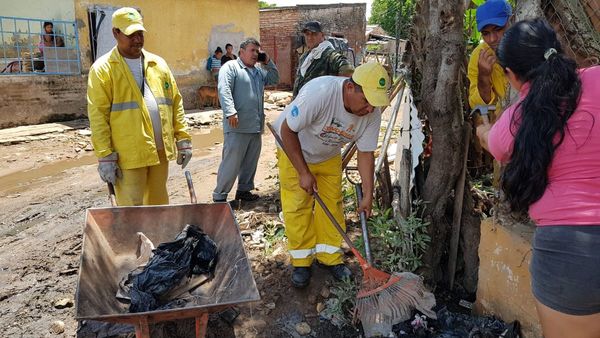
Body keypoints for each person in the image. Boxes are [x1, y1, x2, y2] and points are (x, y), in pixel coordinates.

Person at [476, 18, 600, 338]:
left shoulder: (517, 119)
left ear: (512, 76)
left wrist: (482, 129)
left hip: (570, 256)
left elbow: (492, 140)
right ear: (558, 50)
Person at [273, 62, 390, 288]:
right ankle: (302, 262)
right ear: (349, 88)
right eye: (366, 101)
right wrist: (303, 172)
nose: (369, 109)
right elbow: (287, 130)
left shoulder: (371, 113)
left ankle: (329, 257)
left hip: (327, 155)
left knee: (332, 204)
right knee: (298, 206)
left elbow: (366, 153)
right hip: (293, 150)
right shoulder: (320, 93)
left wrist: (368, 194)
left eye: (374, 104)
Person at [87, 7, 192, 206]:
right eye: (131, 34)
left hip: (160, 151)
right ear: (115, 33)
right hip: (129, 155)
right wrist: (105, 156)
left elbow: (175, 103)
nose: (137, 39)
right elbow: (98, 115)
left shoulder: (158, 64)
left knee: (158, 205)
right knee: (132, 209)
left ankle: (157, 237)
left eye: (140, 33)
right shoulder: (103, 69)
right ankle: (133, 238)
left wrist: (183, 139)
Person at [213, 38, 279, 202]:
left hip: (254, 125)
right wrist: (230, 112)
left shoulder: (257, 72)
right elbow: (224, 89)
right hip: (237, 125)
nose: (256, 54)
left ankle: (244, 190)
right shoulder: (231, 68)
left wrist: (268, 60)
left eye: (258, 51)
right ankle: (220, 197)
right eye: (252, 50)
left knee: (250, 161)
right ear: (241, 52)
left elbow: (274, 78)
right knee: (231, 163)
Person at [467, 0, 512, 118]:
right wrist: (483, 76)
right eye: (486, 33)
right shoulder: (478, 56)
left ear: (511, 20)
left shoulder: (529, 44)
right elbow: (477, 104)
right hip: (502, 122)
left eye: (498, 29)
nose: (492, 39)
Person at [292, 21, 354, 98]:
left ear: (322, 35)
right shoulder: (305, 56)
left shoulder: (328, 54)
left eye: (314, 34)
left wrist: (337, 93)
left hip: (319, 106)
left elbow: (348, 69)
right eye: (307, 34)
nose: (309, 38)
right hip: (300, 104)